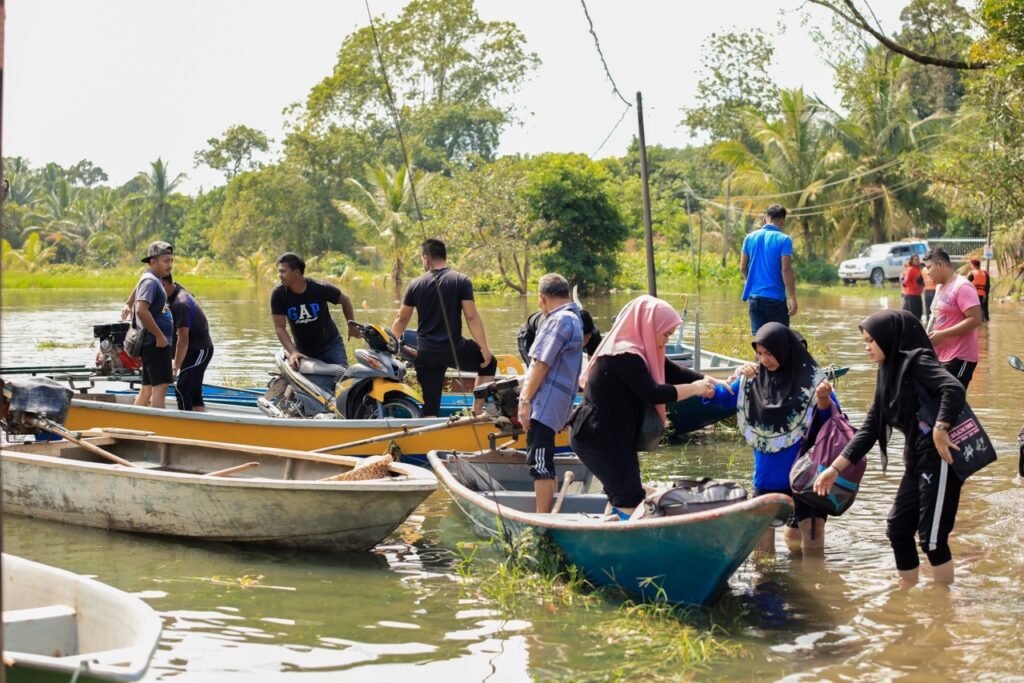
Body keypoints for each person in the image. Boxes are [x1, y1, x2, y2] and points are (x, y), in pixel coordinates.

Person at [813, 310, 966, 587]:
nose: (867, 347)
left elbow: (953, 388)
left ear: (889, 338)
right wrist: (834, 469)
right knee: (898, 530)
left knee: (931, 539)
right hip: (916, 459)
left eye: (871, 340)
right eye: (866, 340)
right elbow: (871, 427)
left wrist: (941, 427)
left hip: (940, 458)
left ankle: (945, 606)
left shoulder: (917, 361)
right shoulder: (887, 371)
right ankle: (906, 592)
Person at [569, 295, 716, 518]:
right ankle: (622, 544)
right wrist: (695, 388)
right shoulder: (624, 354)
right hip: (597, 436)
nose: (666, 340)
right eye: (665, 334)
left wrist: (712, 381)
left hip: (615, 436)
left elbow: (673, 372)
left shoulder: (641, 349)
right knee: (627, 495)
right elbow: (653, 392)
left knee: (624, 492)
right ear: (649, 326)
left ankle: (609, 533)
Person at [703, 323, 835, 554]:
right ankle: (764, 587)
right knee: (762, 554)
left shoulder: (814, 382)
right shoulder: (751, 379)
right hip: (767, 477)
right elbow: (726, 397)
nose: (764, 360)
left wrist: (824, 401)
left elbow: (833, 424)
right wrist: (709, 389)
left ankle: (814, 584)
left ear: (785, 350)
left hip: (806, 476)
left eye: (770, 353)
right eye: (760, 353)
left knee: (813, 548)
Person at [392, 239, 497, 416]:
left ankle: (429, 432)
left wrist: (390, 344)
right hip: (454, 349)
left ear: (426, 259)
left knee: (431, 406)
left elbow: (401, 319)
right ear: (443, 256)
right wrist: (484, 349)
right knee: (489, 363)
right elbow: (471, 317)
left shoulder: (415, 284)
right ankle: (476, 411)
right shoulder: (461, 280)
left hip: (426, 352)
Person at [515, 274, 585, 513]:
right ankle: (546, 513)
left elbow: (541, 364)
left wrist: (525, 401)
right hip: (557, 403)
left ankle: (542, 519)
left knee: (541, 462)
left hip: (545, 403)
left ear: (542, 298)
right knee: (544, 460)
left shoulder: (559, 320)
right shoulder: (573, 318)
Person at [271, 252, 358, 370]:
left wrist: (351, 325)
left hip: (330, 345)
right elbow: (280, 327)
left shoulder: (320, 288)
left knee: (341, 377)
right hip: (302, 348)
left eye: (283, 271)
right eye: (279, 272)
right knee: (303, 383)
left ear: (296, 272)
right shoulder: (279, 294)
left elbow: (345, 300)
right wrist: (292, 352)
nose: (280, 275)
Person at [123, 241, 175, 409]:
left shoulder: (152, 279)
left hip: (153, 344)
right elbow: (141, 310)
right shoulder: (151, 282)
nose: (170, 265)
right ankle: (158, 430)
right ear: (153, 261)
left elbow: (139, 286)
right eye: (166, 261)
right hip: (155, 344)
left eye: (171, 261)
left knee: (146, 390)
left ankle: (134, 425)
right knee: (159, 390)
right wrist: (160, 336)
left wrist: (128, 303)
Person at [923, 247, 982, 389]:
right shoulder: (940, 288)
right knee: (935, 403)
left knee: (952, 404)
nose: (927, 272)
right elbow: (937, 319)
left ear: (940, 265)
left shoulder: (962, 287)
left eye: (929, 267)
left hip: (960, 358)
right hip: (942, 356)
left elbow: (975, 319)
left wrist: (943, 335)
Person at [740, 204, 798, 334]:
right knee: (780, 341)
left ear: (765, 219)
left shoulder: (749, 238)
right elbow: (786, 269)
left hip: (755, 298)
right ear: (782, 222)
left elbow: (743, 267)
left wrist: (753, 284)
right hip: (775, 300)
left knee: (760, 342)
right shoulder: (784, 240)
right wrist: (792, 298)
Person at [161, 275, 214, 412]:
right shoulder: (175, 290)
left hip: (199, 350)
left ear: (164, 284)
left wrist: (175, 367)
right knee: (194, 392)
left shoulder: (180, 303)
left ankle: (185, 425)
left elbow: (183, 339)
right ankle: (200, 426)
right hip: (190, 350)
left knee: (182, 389)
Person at [518, 307, 601, 365]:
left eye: (587, 339)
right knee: (536, 373)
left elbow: (593, 365)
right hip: (529, 335)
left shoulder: (594, 335)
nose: (582, 344)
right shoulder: (557, 330)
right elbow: (540, 363)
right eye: (580, 340)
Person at [900, 254, 925, 320]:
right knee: (913, 316)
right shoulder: (910, 269)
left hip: (917, 295)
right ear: (912, 261)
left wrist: (921, 287)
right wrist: (916, 287)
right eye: (915, 260)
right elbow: (906, 281)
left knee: (919, 314)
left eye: (918, 259)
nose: (917, 261)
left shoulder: (919, 269)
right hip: (911, 296)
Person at [967, 258, 991, 322]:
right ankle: (986, 326)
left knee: (976, 313)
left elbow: (965, 285)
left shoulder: (972, 274)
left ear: (973, 265)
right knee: (985, 312)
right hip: (984, 295)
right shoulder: (985, 273)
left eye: (971, 264)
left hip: (974, 295)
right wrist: (986, 295)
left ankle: (980, 327)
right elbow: (988, 286)